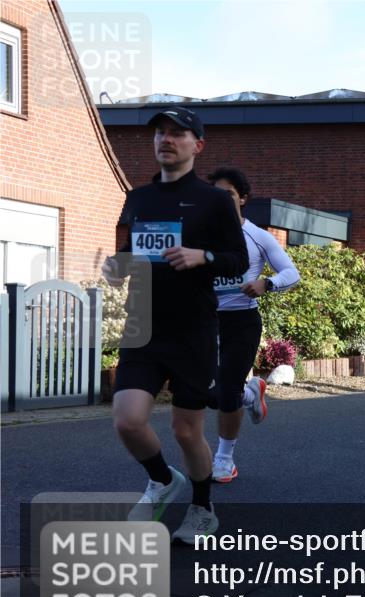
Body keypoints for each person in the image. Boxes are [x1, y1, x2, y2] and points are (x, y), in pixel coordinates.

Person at [102, 107, 249, 544]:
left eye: (177, 133)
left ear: (197, 145)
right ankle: (164, 479)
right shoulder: (139, 198)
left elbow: (237, 260)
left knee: (186, 431)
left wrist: (203, 256)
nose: (166, 139)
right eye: (160, 133)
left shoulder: (214, 201)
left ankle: (203, 509)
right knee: (127, 420)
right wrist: (117, 267)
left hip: (192, 329)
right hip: (143, 323)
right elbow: (131, 252)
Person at [206, 167, 300, 483]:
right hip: (206, 322)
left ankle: (224, 459)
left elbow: (292, 273)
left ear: (243, 198)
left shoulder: (257, 236)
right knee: (207, 394)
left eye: (228, 194)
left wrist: (266, 284)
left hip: (241, 323)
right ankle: (251, 393)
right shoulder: (200, 234)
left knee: (225, 392)